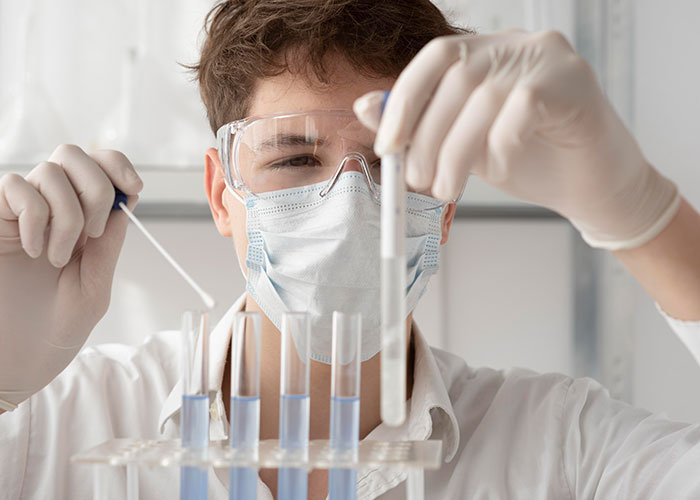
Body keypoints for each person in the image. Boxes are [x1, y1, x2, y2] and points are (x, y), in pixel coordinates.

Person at [2, 0, 700, 498]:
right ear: (222, 195)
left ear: (446, 201)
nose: (349, 205)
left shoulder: (563, 453)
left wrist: (644, 214)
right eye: (295, 159)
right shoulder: (63, 424)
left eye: (393, 162)